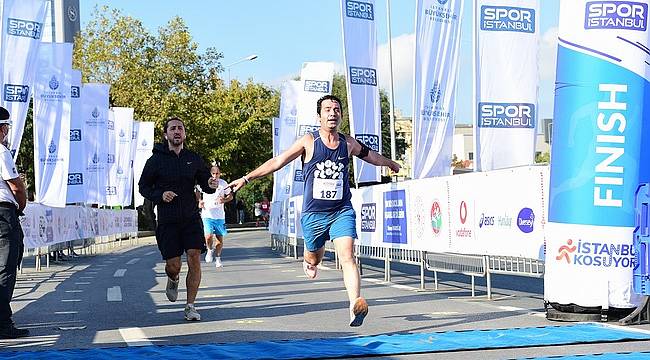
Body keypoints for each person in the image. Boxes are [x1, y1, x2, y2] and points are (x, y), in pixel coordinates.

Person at [230, 95, 400, 327]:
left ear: (341, 115)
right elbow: (277, 162)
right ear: (319, 115)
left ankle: (354, 305)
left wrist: (389, 163)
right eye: (328, 109)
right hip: (314, 215)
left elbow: (369, 155)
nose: (332, 113)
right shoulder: (308, 141)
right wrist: (245, 179)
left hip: (342, 210)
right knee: (314, 256)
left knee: (348, 256)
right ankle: (309, 262)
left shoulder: (347, 143)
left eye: (337, 109)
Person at [139, 117, 218, 321]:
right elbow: (143, 187)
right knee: (173, 265)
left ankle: (190, 306)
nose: (177, 131)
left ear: (184, 134)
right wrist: (160, 195)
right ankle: (172, 278)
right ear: (166, 134)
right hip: (168, 220)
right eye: (172, 128)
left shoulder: (193, 158)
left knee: (194, 256)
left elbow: (205, 183)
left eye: (180, 128)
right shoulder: (155, 161)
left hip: (191, 218)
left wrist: (211, 183)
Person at [0, 106, 29, 338]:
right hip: (2, 214)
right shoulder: (1, 151)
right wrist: (21, 203)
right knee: (5, 268)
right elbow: (16, 185)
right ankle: (2, 323)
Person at [198, 164, 233, 268]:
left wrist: (224, 200)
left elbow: (230, 196)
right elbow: (197, 191)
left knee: (219, 239)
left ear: (220, 174)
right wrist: (200, 201)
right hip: (207, 214)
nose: (215, 175)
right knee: (208, 236)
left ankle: (218, 258)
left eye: (217, 173)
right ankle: (209, 249)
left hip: (219, 216)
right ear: (210, 173)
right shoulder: (205, 183)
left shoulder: (223, 183)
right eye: (213, 173)